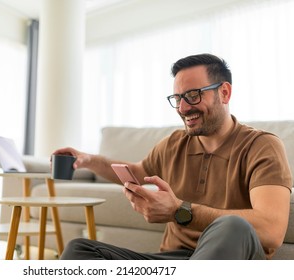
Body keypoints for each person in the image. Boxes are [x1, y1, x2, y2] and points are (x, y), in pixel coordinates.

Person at [52, 53, 292, 260]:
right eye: (178, 98)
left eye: (194, 95)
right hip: (173, 259)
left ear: (225, 92)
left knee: (233, 226)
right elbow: (136, 173)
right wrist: (87, 160)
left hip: (231, 256)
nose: (183, 108)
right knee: (79, 251)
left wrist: (180, 211)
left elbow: (271, 230)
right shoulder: (174, 143)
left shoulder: (262, 145)